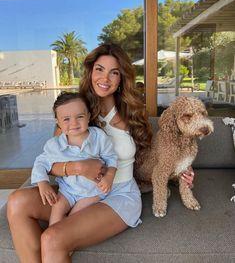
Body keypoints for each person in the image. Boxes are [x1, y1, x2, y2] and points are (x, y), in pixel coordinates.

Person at [7, 43, 194, 263]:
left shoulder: (132, 112)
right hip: (77, 190)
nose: (105, 78)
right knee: (17, 200)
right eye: (99, 69)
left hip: (118, 195)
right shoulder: (74, 111)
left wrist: (181, 168)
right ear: (90, 71)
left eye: (114, 72)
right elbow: (51, 163)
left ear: (122, 77)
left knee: (52, 238)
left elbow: (154, 156)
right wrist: (78, 168)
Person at [31, 92, 118, 226]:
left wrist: (109, 176)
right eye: (66, 119)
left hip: (93, 192)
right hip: (67, 191)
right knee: (56, 215)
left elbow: (111, 157)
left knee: (72, 220)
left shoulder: (98, 137)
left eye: (80, 116)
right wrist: (43, 183)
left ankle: (64, 240)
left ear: (88, 116)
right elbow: (40, 162)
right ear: (58, 122)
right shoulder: (54, 145)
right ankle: (53, 237)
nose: (74, 123)